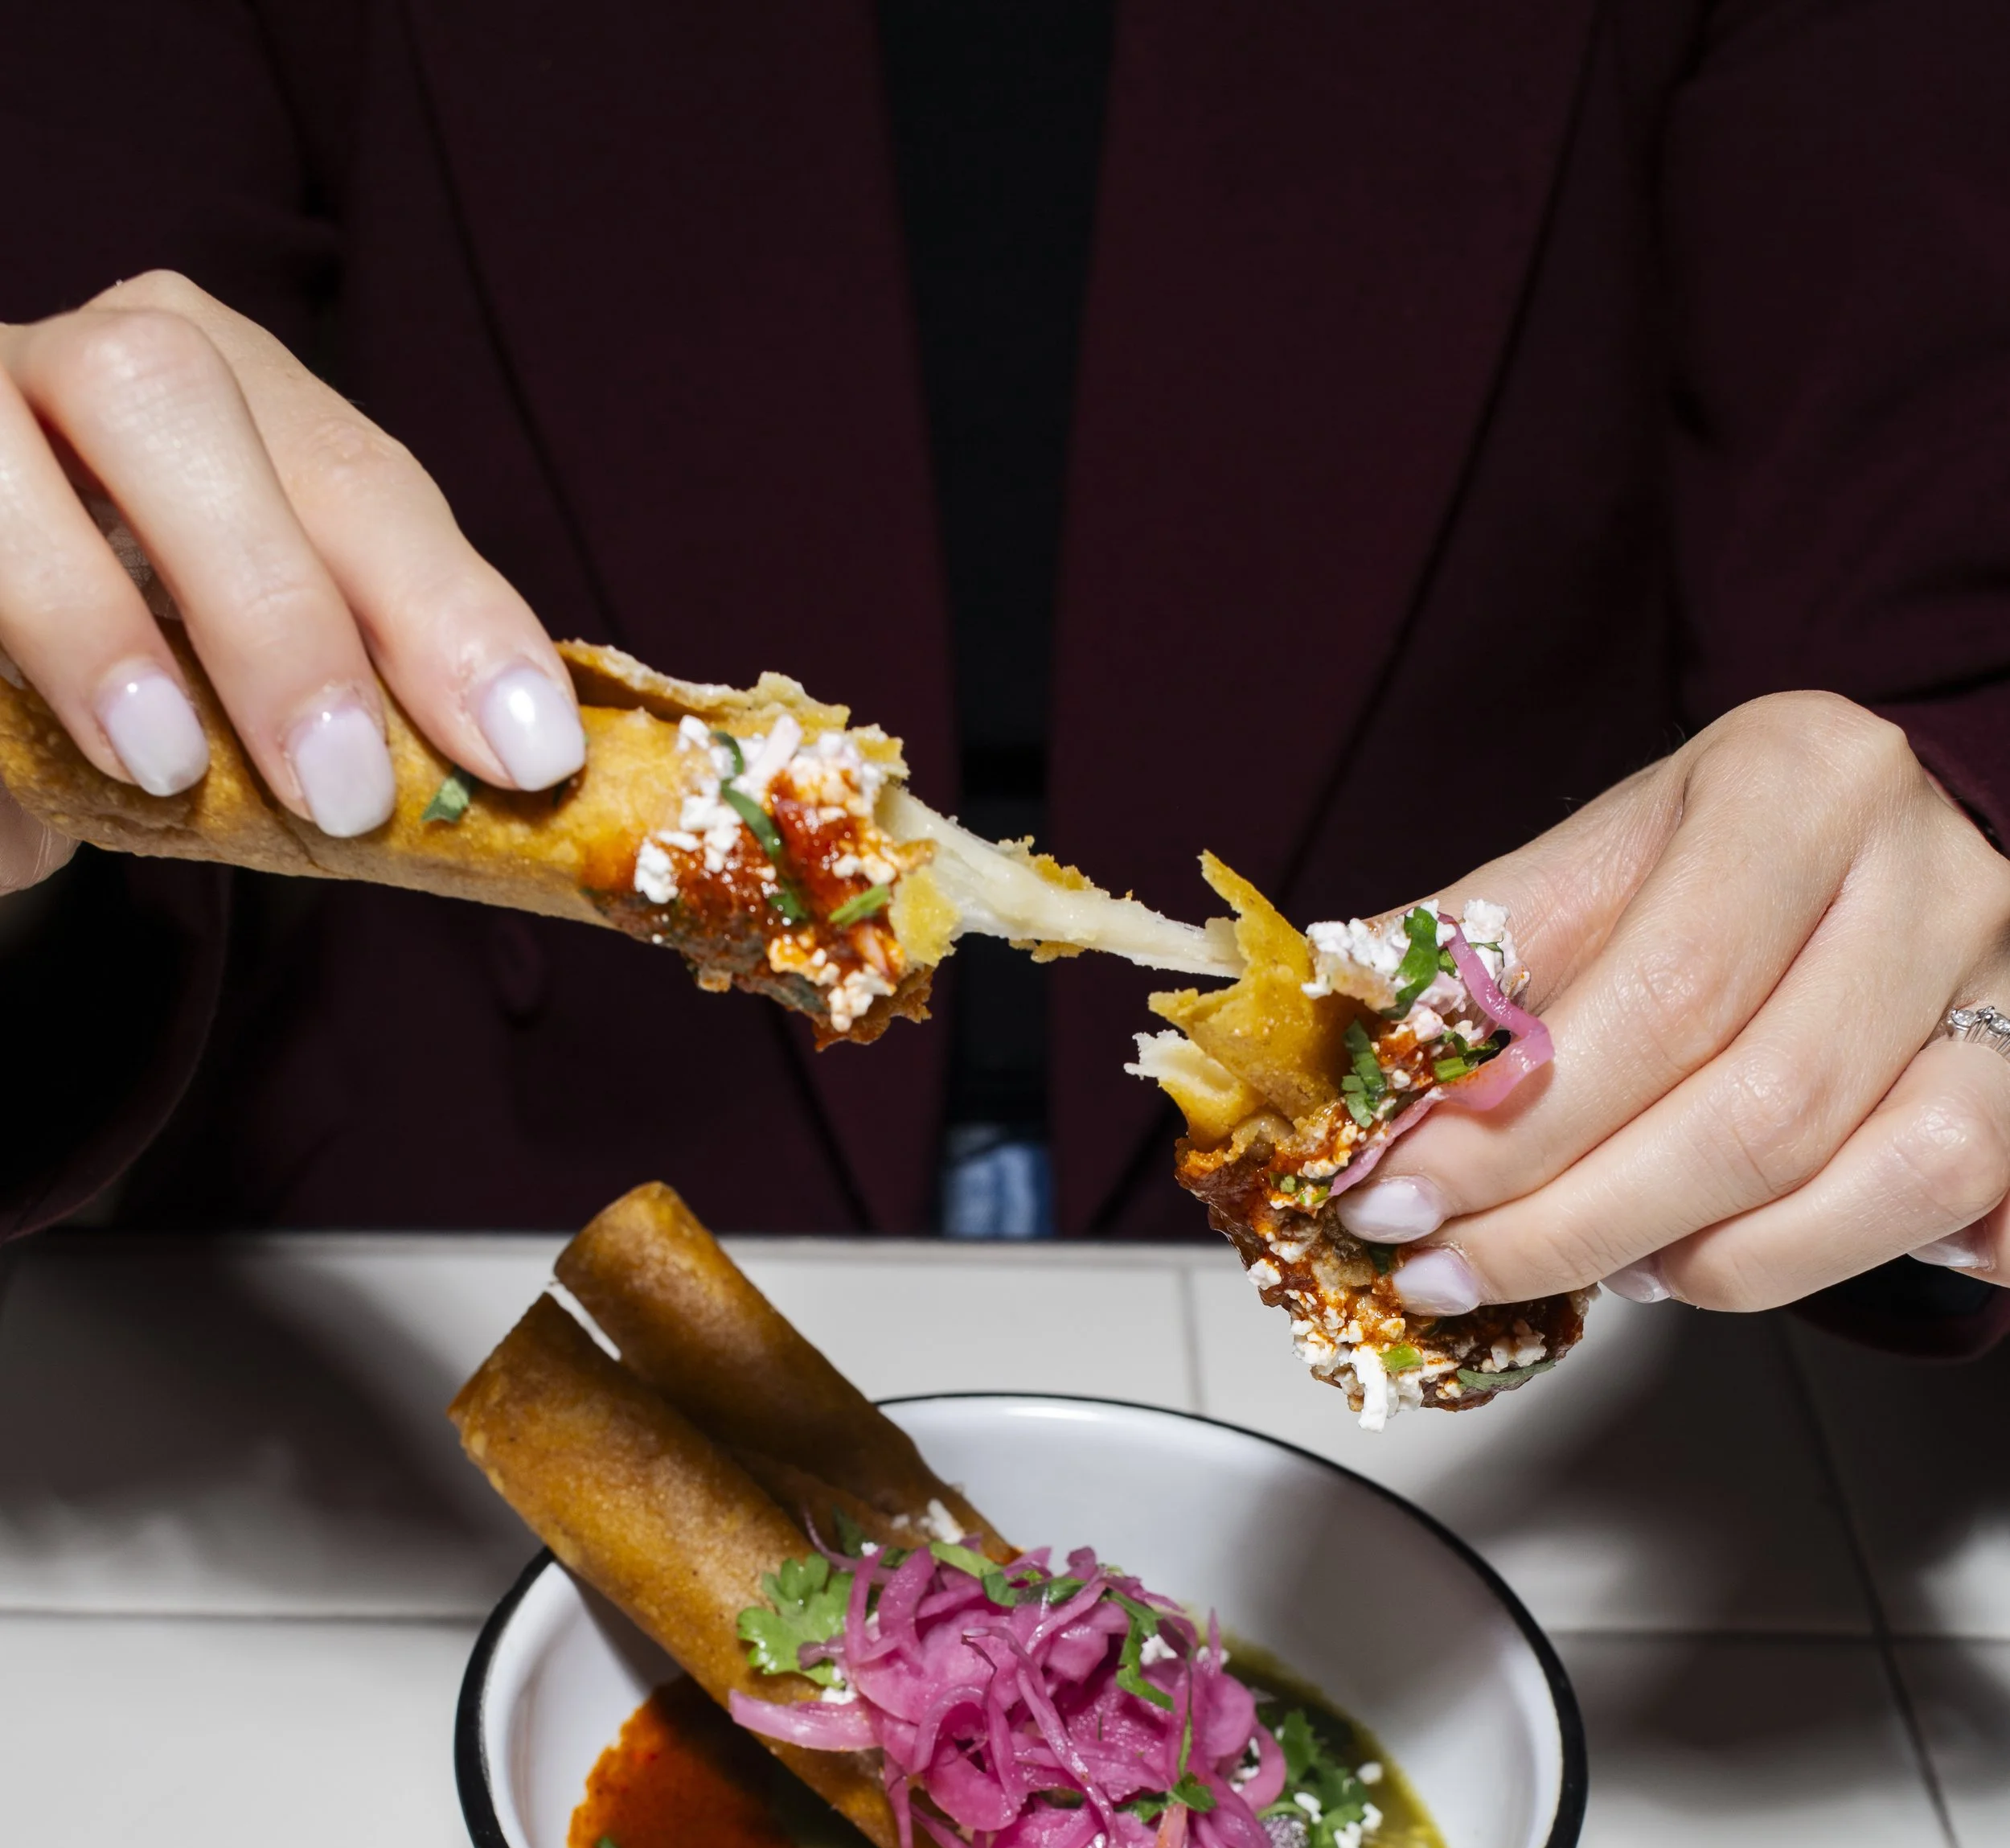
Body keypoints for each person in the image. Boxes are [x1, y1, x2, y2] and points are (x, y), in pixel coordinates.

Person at [2, 2, 2008, 1357]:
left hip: (1554, 1379)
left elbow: (1927, 552)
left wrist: (1940, 866)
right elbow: (98, 387)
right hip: (420, 1287)